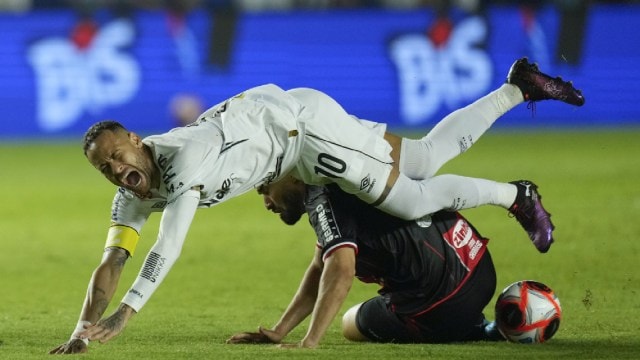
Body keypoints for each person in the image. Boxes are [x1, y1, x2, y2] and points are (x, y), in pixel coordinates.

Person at [50, 58, 583, 354]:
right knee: (421, 156)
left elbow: (170, 242)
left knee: (410, 197)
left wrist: (125, 315)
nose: (118, 169)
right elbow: (112, 262)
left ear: (137, 141)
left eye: (119, 155)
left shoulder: (183, 159)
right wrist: (82, 329)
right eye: (107, 168)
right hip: (290, 124)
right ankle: (517, 88)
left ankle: (516, 194)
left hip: (306, 136)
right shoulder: (131, 192)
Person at [228, 176, 506, 347]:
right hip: (479, 266)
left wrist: (309, 341)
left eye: (265, 189)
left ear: (293, 176)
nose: (266, 202)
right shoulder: (348, 164)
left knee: (351, 322)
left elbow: (341, 269)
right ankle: (483, 322)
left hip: (439, 305)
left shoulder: (321, 196)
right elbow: (319, 266)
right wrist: (279, 330)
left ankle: (465, 326)